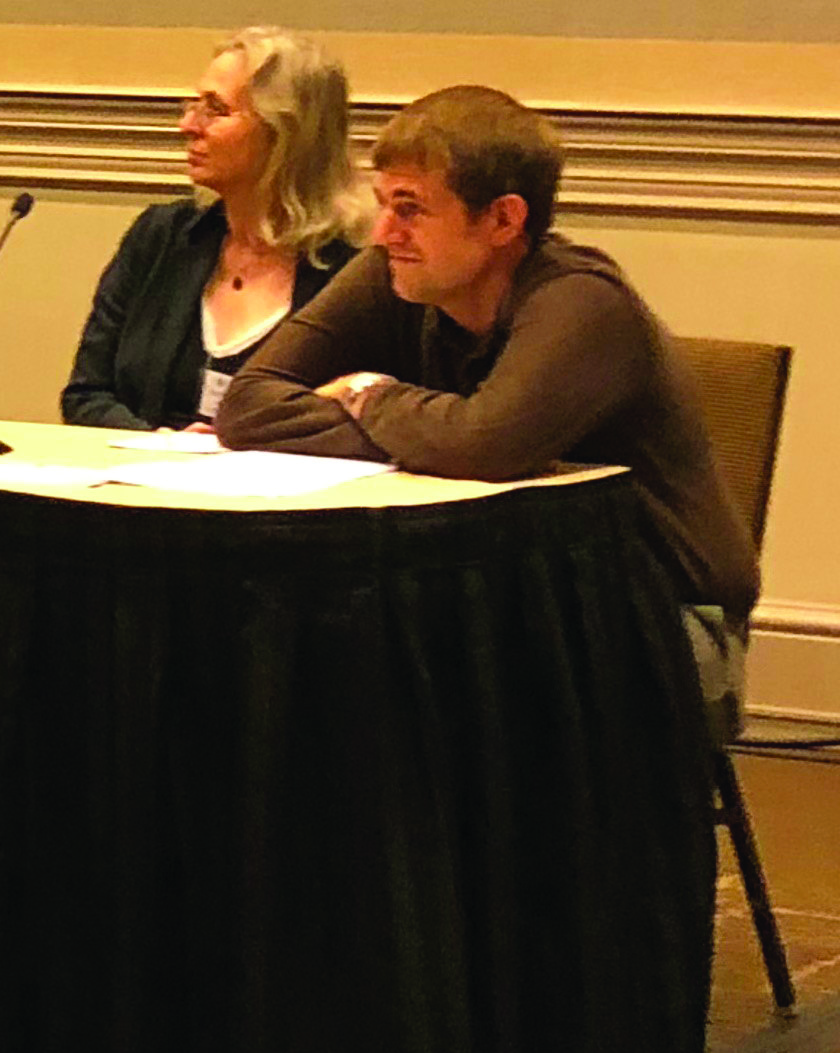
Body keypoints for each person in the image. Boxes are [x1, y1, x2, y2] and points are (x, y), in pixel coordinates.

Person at [217, 86, 760, 719]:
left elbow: (485, 445)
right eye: (384, 204)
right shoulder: (391, 272)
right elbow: (249, 406)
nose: (385, 231)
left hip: (662, 621)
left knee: (392, 698)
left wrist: (373, 396)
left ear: (504, 220)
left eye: (412, 208)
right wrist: (430, 433)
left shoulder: (582, 301)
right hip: (507, 603)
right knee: (301, 666)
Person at [64, 27, 365, 430]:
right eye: (192, 104)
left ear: (285, 134)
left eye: (215, 109)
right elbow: (86, 397)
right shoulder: (160, 238)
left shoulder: (355, 269)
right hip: (142, 482)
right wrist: (165, 447)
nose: (186, 125)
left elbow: (365, 418)